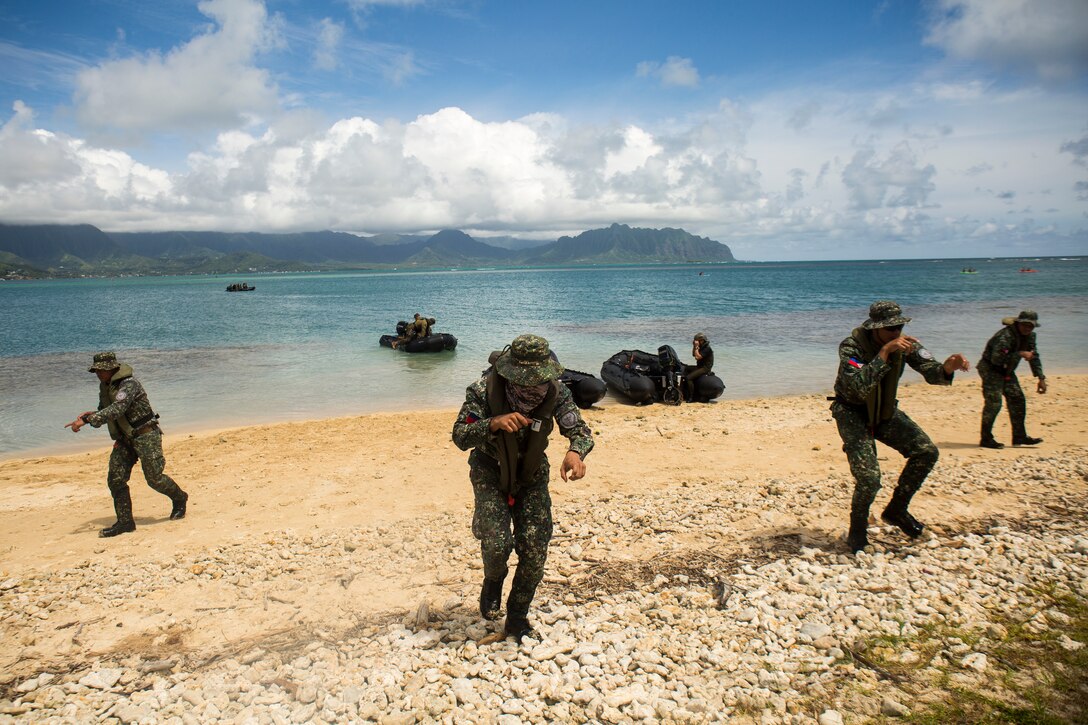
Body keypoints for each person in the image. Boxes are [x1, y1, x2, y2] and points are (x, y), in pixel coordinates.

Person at [452, 334, 594, 642]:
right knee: (498, 545)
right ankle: (493, 580)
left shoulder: (556, 392)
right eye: (524, 381)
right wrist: (492, 423)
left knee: (534, 550)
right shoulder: (482, 391)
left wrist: (575, 452)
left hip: (530, 476)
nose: (531, 388)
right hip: (490, 472)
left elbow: (580, 430)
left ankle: (516, 618)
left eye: (537, 380)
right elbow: (460, 435)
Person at [830, 302, 970, 554]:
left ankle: (896, 510)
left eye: (899, 327)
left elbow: (933, 373)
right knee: (869, 479)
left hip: (884, 411)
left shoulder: (906, 345)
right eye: (890, 329)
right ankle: (857, 532)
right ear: (875, 328)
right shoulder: (851, 347)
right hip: (853, 413)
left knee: (926, 451)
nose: (896, 333)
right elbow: (857, 387)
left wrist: (949, 366)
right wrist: (884, 353)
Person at [65, 352, 189, 538]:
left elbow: (117, 409)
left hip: (146, 436)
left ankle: (180, 498)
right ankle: (125, 522)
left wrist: (88, 420)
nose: (98, 374)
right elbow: (105, 409)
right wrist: (89, 414)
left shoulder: (129, 384)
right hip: (125, 439)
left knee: (154, 479)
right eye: (96, 371)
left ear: (112, 368)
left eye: (100, 371)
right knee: (115, 479)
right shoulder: (105, 386)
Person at [977, 310, 1046, 449]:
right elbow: (996, 360)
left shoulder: (1030, 336)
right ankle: (986, 439)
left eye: (1030, 326)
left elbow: (1034, 357)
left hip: (1007, 371)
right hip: (991, 370)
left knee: (1018, 399)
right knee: (994, 404)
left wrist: (1041, 378)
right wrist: (1020, 353)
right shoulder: (1005, 336)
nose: (1027, 328)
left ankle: (1019, 436)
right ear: (1018, 323)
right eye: (1025, 325)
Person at [684, 332, 715, 402]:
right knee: (686, 368)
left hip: (705, 368)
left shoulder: (707, 348)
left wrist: (696, 347)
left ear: (702, 340)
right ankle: (688, 388)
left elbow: (697, 357)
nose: (696, 342)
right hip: (700, 367)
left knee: (688, 378)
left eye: (697, 341)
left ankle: (691, 397)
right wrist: (694, 347)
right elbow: (693, 354)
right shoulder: (701, 347)